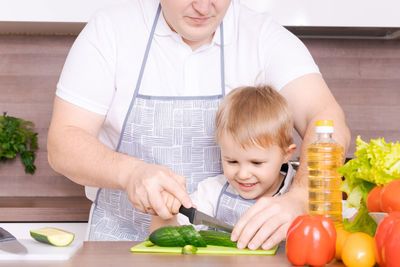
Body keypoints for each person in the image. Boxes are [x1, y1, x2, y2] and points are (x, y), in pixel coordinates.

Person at [47, 0, 350, 249]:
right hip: (117, 245)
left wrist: (300, 197)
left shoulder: (260, 36)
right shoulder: (110, 31)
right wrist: (131, 173)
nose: (204, 7)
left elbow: (325, 117)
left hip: (224, 252)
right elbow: (63, 142)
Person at [151, 86, 297, 249]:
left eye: (256, 163)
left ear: (286, 154)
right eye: (232, 161)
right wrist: (164, 214)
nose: (243, 174)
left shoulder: (300, 194)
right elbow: (167, 238)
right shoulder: (213, 191)